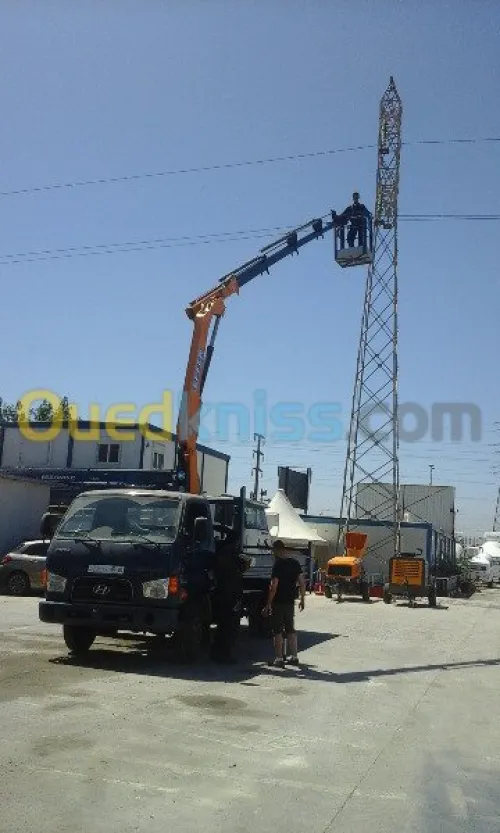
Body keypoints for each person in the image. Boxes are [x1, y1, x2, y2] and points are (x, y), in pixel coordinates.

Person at [210, 529, 251, 664]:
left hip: (219, 593)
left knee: (221, 626)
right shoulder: (234, 553)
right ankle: (224, 655)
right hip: (231, 595)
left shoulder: (219, 551)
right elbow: (243, 567)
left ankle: (216, 652)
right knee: (230, 627)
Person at [263, 540, 306, 668]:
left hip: (278, 602)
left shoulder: (278, 565)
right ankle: (294, 657)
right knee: (290, 629)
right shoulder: (295, 563)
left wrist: (268, 604)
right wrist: (302, 600)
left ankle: (279, 658)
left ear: (276, 550)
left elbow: (273, 586)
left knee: (277, 631)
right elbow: (302, 582)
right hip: (290, 602)